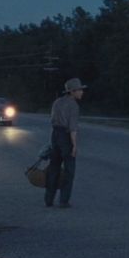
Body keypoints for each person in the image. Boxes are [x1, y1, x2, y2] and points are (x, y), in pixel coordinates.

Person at [45, 78, 86, 208]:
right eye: (80, 90)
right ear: (72, 92)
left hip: (55, 134)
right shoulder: (73, 106)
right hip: (66, 136)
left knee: (54, 168)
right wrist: (74, 145)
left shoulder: (57, 102)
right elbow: (73, 128)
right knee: (69, 170)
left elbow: (52, 119)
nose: (82, 92)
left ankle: (48, 199)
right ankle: (64, 200)